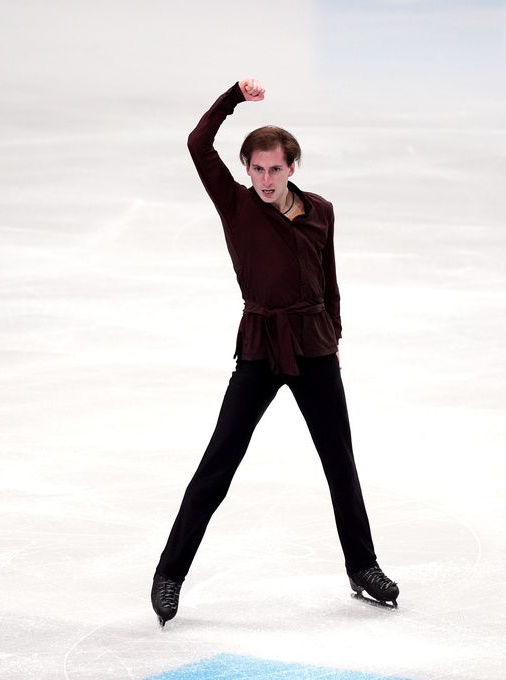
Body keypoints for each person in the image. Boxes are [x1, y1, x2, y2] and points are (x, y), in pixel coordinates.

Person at [151, 78, 398, 627]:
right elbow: (197, 144)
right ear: (246, 169)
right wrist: (232, 98)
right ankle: (169, 574)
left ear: (291, 168)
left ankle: (363, 566)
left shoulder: (321, 211)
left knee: (340, 463)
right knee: (219, 463)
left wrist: (333, 334)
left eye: (275, 169)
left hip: (313, 347)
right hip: (261, 347)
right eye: (257, 169)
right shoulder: (236, 206)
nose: (265, 179)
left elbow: (329, 281)